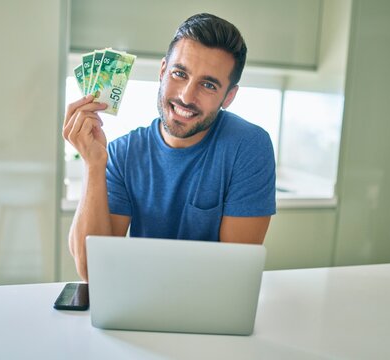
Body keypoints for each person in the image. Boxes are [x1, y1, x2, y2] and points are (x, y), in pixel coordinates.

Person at [63, 13, 276, 281]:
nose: (186, 96)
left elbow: (234, 274)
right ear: (162, 71)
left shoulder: (248, 147)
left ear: (229, 97)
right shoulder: (122, 153)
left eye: (208, 85)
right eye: (179, 73)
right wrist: (93, 165)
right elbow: (91, 272)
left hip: (209, 311)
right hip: (138, 304)